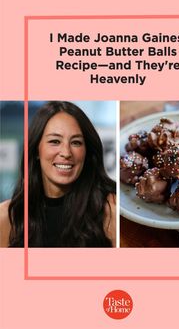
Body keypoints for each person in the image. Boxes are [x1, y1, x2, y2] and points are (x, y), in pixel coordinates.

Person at [0, 101, 116, 247]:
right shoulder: (8, 217)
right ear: (36, 149)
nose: (66, 153)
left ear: (87, 152)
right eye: (55, 141)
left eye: (76, 143)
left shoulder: (110, 210)